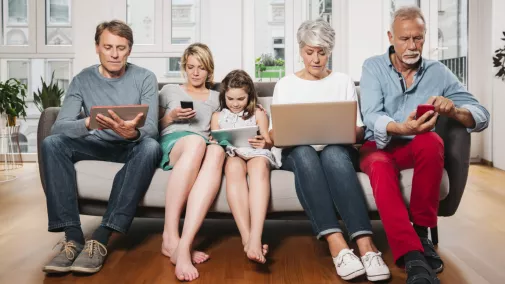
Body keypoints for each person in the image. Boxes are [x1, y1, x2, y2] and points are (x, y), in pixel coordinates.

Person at [359, 6, 490, 284]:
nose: (412, 46)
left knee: (430, 140)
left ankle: (421, 233)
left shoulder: (438, 72)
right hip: (378, 147)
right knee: (381, 167)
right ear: (390, 37)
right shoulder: (373, 66)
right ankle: (412, 256)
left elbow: (480, 114)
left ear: (425, 37)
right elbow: (371, 114)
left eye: (418, 38)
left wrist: (453, 110)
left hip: (413, 147)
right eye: (405, 38)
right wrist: (401, 127)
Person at [269, 19, 390, 282]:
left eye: (321, 52)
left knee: (335, 152)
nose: (315, 59)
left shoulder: (343, 81)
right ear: (300, 50)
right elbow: (274, 136)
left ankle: (366, 245)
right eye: (309, 51)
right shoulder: (285, 85)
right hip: (298, 153)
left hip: (336, 148)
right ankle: (337, 244)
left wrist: (344, 130)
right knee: (304, 152)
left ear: (330, 51)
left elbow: (358, 131)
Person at [41, 20, 161, 274]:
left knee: (150, 146)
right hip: (96, 144)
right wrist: (87, 122)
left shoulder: (145, 78)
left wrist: (133, 132)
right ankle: (73, 237)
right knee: (53, 143)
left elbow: (151, 129)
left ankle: (101, 237)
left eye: (122, 48)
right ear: (97, 47)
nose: (115, 54)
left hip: (131, 147)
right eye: (108, 47)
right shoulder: (82, 80)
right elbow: (59, 127)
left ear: (130, 49)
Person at [158, 43, 225, 282]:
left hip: (203, 145)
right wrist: (171, 116)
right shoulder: (169, 91)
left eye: (202, 68)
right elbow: (150, 129)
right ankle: (169, 236)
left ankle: (182, 244)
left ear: (209, 70)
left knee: (217, 152)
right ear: (184, 68)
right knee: (196, 143)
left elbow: (226, 126)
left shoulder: (218, 98)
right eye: (191, 67)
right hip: (174, 143)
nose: (196, 72)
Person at [210, 69, 277, 264]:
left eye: (241, 99)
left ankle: (256, 236)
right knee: (233, 169)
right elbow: (215, 140)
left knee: (258, 168)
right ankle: (247, 238)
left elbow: (268, 139)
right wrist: (215, 141)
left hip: (255, 152)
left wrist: (264, 143)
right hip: (233, 153)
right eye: (231, 99)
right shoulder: (218, 116)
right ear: (224, 96)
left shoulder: (258, 112)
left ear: (249, 96)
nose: (236, 104)